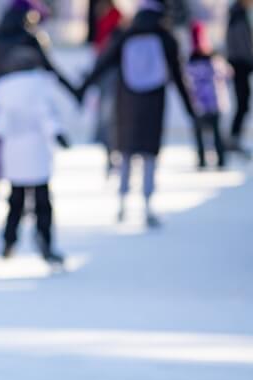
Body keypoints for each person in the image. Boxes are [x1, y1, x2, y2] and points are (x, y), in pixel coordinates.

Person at [78, 0, 196, 228]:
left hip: (127, 103)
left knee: (126, 152)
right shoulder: (165, 37)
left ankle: (122, 203)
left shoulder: (125, 35)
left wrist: (81, 89)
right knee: (149, 154)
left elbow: (102, 64)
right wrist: (190, 108)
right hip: (154, 103)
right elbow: (178, 75)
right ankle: (148, 204)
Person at [0, 47, 70, 267]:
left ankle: (8, 241)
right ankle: (45, 242)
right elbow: (46, 116)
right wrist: (58, 134)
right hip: (37, 152)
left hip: (13, 152)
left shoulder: (2, 89)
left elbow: (0, 124)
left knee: (15, 200)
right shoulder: (41, 85)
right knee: (42, 201)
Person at [186, 21, 230, 169]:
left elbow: (186, 80)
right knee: (216, 133)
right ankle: (220, 159)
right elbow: (226, 73)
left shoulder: (191, 63)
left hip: (199, 104)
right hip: (213, 103)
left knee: (201, 134)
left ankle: (202, 160)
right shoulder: (214, 60)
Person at [89, 0, 125, 176]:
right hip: (106, 77)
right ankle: (111, 156)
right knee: (107, 119)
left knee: (111, 118)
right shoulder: (105, 21)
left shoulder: (115, 21)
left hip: (112, 77)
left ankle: (114, 156)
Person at [226, 0, 253, 152]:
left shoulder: (239, 15)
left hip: (241, 65)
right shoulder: (238, 16)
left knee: (243, 105)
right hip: (240, 66)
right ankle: (234, 139)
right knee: (242, 105)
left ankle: (235, 138)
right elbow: (242, 44)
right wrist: (248, 61)